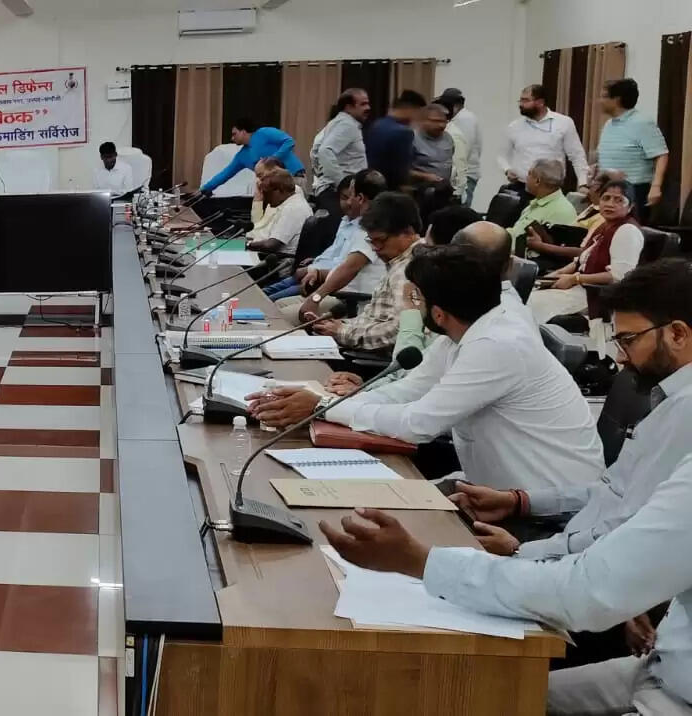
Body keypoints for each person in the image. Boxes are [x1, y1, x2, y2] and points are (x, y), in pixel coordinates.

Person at [319, 265, 692, 713]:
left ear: (677, 334)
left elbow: (589, 588)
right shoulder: (670, 401)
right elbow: (616, 496)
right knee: (477, 695)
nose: (619, 356)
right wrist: (520, 504)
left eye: (627, 340)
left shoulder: (684, 413)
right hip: (661, 666)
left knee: (457, 694)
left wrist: (421, 561)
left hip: (672, 688)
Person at [258, 243, 603, 493]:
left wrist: (321, 407)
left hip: (545, 501)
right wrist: (328, 403)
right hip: (494, 487)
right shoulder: (470, 325)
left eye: (417, 300)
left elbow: (418, 424)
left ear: (437, 312)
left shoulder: (497, 344)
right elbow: (409, 389)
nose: (414, 307)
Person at [321, 220, 537, 399]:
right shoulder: (490, 306)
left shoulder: (479, 319)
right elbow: (416, 376)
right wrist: (367, 387)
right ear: (509, 264)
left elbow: (422, 400)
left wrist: (357, 397)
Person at [307, 192, 426, 352]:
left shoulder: (409, 270)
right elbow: (374, 318)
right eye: (371, 241)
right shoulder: (397, 261)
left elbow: (399, 330)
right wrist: (337, 326)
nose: (375, 248)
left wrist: (342, 332)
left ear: (407, 232)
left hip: (377, 356)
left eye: (381, 240)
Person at [529, 179, 646, 327]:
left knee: (530, 303)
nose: (610, 204)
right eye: (606, 198)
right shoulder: (604, 226)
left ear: (630, 207)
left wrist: (575, 279)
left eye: (619, 200)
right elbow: (580, 261)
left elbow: (619, 276)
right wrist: (553, 276)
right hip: (580, 288)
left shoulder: (627, 231)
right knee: (525, 294)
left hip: (596, 295)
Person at [272, 172, 388, 317]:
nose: (348, 201)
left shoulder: (371, 228)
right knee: (276, 306)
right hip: (339, 293)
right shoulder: (363, 222)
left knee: (279, 315)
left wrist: (316, 296)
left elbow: (348, 268)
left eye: (351, 194)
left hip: (351, 301)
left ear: (360, 198)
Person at [500, 84, 590, 196]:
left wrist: (583, 183)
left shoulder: (563, 123)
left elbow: (577, 155)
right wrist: (507, 169)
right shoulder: (514, 126)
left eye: (526, 100)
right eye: (520, 100)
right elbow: (501, 154)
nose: (521, 104)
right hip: (522, 187)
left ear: (540, 102)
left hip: (551, 188)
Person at [597, 78, 669, 219]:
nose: (600, 101)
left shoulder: (642, 122)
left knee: (629, 229)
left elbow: (661, 154)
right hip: (608, 188)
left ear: (617, 99)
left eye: (604, 97)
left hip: (634, 190)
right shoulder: (609, 124)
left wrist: (656, 186)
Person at [199, 119, 303, 195]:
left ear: (244, 132)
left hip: (294, 178)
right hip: (273, 188)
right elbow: (225, 174)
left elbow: (289, 141)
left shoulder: (264, 133)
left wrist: (273, 158)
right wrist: (205, 188)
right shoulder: (242, 156)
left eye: (235, 134)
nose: (232, 138)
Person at [311, 89, 372, 213]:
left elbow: (315, 151)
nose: (368, 108)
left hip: (333, 192)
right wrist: (343, 184)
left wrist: (321, 174)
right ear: (348, 107)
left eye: (368, 103)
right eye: (363, 104)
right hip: (338, 195)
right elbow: (325, 151)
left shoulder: (337, 123)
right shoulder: (347, 125)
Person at [508, 158, 581, 259]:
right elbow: (515, 232)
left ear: (537, 181)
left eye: (529, 174)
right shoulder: (537, 202)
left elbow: (547, 255)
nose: (526, 178)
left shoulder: (562, 211)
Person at [244, 169, 312, 255]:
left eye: (266, 193)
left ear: (278, 191)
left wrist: (247, 244)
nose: (264, 198)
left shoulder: (293, 209)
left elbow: (271, 245)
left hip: (277, 258)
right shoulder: (294, 202)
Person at [367, 91, 425, 189]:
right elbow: (401, 171)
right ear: (410, 109)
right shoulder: (403, 132)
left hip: (372, 184)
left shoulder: (376, 125)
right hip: (391, 188)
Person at [436, 88, 482, 202]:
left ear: (455, 106)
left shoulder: (465, 119)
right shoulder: (460, 118)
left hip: (464, 175)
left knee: (460, 206)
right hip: (460, 174)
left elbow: (463, 151)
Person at [411, 104, 456, 186]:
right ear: (423, 121)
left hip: (443, 189)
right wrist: (425, 176)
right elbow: (400, 169)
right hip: (418, 189)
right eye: (436, 121)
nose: (441, 125)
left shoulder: (448, 138)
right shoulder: (411, 138)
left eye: (444, 121)